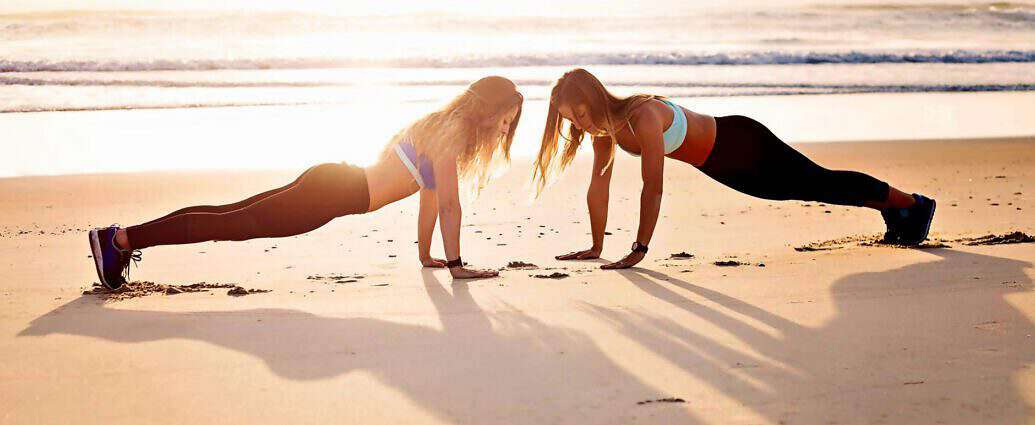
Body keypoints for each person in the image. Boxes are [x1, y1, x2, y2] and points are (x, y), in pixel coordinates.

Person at [89, 76, 523, 289]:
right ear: (489, 109)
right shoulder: (454, 135)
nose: (506, 129)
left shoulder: (440, 127)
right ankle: (120, 240)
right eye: (506, 119)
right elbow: (449, 205)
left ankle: (121, 239)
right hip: (335, 191)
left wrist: (428, 256)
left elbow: (430, 201)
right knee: (231, 224)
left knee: (230, 216)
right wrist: (458, 265)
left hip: (334, 182)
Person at [533, 68, 935, 270]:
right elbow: (598, 187)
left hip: (743, 142)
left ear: (594, 97)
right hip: (722, 166)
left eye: (580, 113)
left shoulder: (643, 116)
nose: (580, 125)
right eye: (572, 121)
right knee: (812, 188)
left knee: (819, 182)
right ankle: (896, 208)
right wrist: (596, 247)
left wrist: (639, 249)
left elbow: (652, 187)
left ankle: (911, 205)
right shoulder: (606, 131)